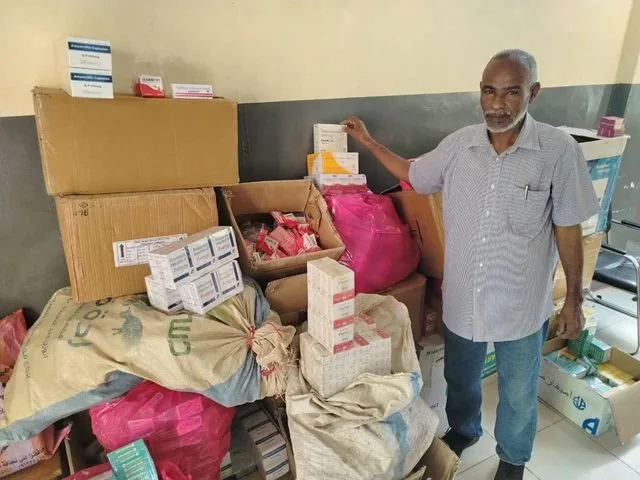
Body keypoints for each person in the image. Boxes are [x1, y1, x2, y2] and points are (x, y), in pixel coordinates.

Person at [342, 49, 599, 480]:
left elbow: (569, 230)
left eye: (511, 92)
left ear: (533, 93)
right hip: (465, 300)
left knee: (517, 393)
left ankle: (513, 460)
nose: (497, 104)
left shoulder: (558, 151)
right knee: (461, 379)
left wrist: (574, 298)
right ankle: (464, 430)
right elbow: (413, 174)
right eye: (488, 91)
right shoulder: (460, 145)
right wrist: (368, 142)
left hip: (520, 304)